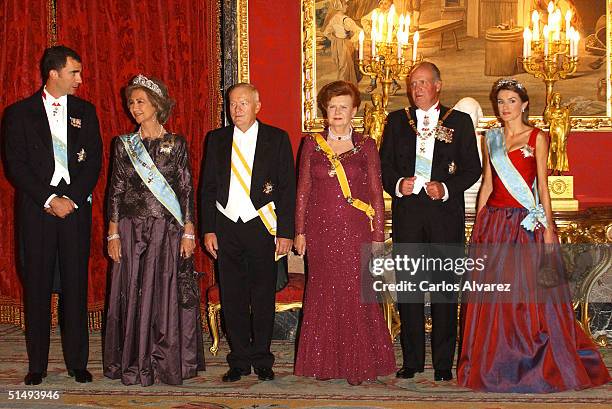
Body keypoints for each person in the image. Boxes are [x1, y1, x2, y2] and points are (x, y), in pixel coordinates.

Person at [457, 78, 611, 392]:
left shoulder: (538, 137)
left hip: (524, 225)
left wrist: (550, 229)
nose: (505, 107)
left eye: (511, 100)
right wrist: (479, 224)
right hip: (495, 224)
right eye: (500, 101)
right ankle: (494, 361)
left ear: (524, 104)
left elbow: (542, 186)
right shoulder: (491, 138)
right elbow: (488, 183)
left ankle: (530, 359)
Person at [3, 45, 102, 385]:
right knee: (38, 287)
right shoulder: (19, 113)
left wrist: (71, 199)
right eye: (75, 72)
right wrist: (49, 198)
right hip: (38, 211)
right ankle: (38, 365)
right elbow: (16, 165)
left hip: (74, 211)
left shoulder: (86, 111)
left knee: (75, 285)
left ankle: (78, 362)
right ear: (54, 73)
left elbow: (94, 163)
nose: (80, 79)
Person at [379, 62, 481, 381]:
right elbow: (384, 166)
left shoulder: (459, 121)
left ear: (438, 85)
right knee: (408, 290)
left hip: (444, 217)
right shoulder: (397, 121)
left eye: (424, 82)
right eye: (413, 83)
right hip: (408, 215)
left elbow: (472, 169)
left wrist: (446, 187)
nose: (418, 88)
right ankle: (411, 361)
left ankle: (441, 364)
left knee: (445, 292)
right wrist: (398, 184)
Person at [293, 80, 396, 385]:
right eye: (332, 106)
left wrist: (378, 236)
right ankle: (323, 363)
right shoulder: (311, 144)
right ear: (325, 111)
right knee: (323, 292)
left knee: (355, 292)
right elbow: (302, 193)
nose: (337, 112)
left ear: (354, 111)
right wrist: (300, 231)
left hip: (355, 230)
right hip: (320, 231)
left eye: (343, 107)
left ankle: (359, 363)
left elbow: (377, 194)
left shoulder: (366, 145)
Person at [103, 74, 204, 386]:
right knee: (131, 291)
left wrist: (189, 231)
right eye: (132, 102)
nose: (135, 107)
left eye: (141, 102)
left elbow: (186, 189)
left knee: (164, 293)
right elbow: (115, 190)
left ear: (157, 105)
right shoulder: (124, 145)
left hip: (166, 229)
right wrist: (113, 233)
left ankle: (163, 362)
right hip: (131, 230)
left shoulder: (177, 144)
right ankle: (133, 362)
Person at [200, 83, 296, 383]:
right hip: (227, 226)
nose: (237, 109)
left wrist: (286, 232)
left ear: (257, 105)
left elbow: (286, 189)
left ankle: (262, 358)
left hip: (262, 226)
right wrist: (208, 229)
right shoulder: (216, 139)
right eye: (232, 103)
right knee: (232, 296)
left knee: (263, 295)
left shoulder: (276, 139)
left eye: (243, 103)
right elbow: (207, 188)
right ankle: (239, 359)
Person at [323, 0, 363, 85]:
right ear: (340, 6)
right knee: (345, 67)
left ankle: (343, 85)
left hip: (336, 45)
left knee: (342, 66)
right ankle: (343, 85)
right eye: (345, 5)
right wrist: (352, 40)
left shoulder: (333, 18)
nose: (347, 6)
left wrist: (334, 38)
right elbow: (359, 31)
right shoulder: (346, 20)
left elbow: (326, 32)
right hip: (345, 44)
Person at [544, 92, 571, 174]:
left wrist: (566, 133)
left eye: (559, 98)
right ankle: (554, 168)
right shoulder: (551, 109)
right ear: (554, 100)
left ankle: (560, 169)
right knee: (554, 149)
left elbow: (567, 122)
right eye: (556, 98)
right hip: (554, 130)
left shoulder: (564, 110)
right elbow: (546, 120)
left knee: (561, 149)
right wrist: (547, 110)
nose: (557, 100)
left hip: (562, 130)